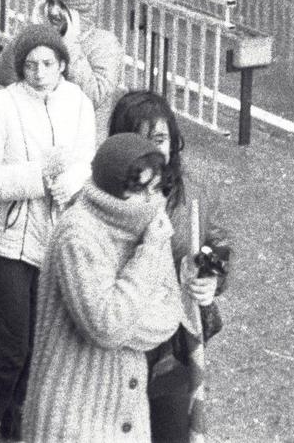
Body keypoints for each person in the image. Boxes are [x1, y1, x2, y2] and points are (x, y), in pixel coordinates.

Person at [0, 25, 97, 442]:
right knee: (11, 348)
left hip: (56, 242)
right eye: (30, 65)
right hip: (10, 243)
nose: (39, 72)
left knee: (39, 349)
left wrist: (72, 180)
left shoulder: (78, 103)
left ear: (62, 64)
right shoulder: (0, 105)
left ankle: (16, 429)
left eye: (47, 64)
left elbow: (87, 159)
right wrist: (39, 179)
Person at [24, 133, 188, 443]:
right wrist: (150, 251)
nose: (152, 200)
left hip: (126, 414)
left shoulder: (150, 223)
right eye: (140, 190)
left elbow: (170, 313)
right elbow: (106, 325)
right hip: (71, 415)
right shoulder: (78, 233)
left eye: (155, 188)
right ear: (113, 188)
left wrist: (121, 312)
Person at [108, 92, 230, 443]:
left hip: (172, 343)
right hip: (120, 342)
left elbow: (216, 242)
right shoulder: (103, 195)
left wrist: (212, 277)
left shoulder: (193, 191)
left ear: (173, 141)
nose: (151, 151)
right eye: (140, 139)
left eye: (159, 139)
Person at [0, 0, 124, 137]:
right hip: (32, 135)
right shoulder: (44, 36)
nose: (53, 11)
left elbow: (91, 98)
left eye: (62, 5)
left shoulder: (105, 45)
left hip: (77, 142)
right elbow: (4, 75)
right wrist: (31, 33)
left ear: (81, 9)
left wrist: (70, 43)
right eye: (51, 2)